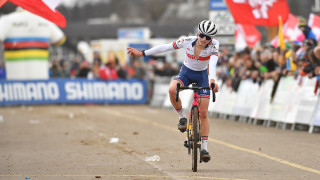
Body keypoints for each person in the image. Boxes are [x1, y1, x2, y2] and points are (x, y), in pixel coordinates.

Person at [127, 20, 219, 163]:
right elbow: (165, 47)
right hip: (186, 72)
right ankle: (182, 116)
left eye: (208, 37)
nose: (204, 39)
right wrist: (143, 53)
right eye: (202, 35)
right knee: (172, 89)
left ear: (212, 39)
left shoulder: (214, 45)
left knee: (204, 113)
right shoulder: (187, 41)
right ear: (197, 33)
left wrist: (212, 81)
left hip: (202, 76)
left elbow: (212, 63)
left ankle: (204, 148)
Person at [0, 7, 65, 80]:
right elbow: (60, 39)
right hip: (40, 83)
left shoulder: (7, 20)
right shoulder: (45, 20)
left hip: (14, 83)